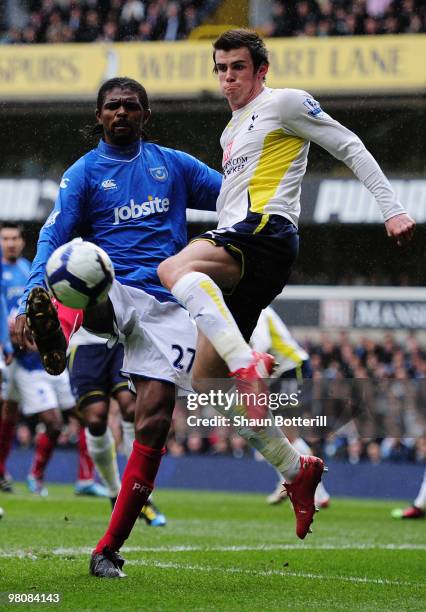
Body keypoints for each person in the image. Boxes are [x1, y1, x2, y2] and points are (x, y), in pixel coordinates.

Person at [157, 29, 416, 544]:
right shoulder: (231, 134)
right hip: (243, 238)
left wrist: (392, 208)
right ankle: (296, 471)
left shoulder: (286, 104)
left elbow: (348, 144)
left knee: (171, 270)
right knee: (206, 388)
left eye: (237, 67)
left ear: (260, 71)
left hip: (264, 234)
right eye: (221, 68)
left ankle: (247, 360)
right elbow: (230, 203)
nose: (228, 77)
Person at [15, 76, 222, 577]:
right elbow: (52, 237)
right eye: (113, 107)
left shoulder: (172, 164)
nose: (122, 113)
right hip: (112, 287)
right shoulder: (84, 174)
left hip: (166, 305)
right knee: (84, 267)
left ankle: (107, 549)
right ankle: (63, 325)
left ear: (146, 115)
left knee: (153, 419)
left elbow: (231, 197)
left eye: (131, 106)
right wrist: (27, 297)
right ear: (99, 116)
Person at [0, 223, 105, 497]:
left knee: (79, 416)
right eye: (5, 238)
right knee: (9, 413)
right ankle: (6, 473)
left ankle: (81, 478)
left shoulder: (29, 271)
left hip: (34, 355)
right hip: (10, 355)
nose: (10, 243)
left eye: (14, 238)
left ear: (23, 242)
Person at [67, 322, 166, 525]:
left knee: (131, 407)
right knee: (95, 418)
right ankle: (115, 494)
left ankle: (142, 498)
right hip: (83, 344)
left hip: (121, 339)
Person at [250, 306, 330, 508]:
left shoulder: (257, 309)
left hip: (292, 369)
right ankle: (293, 484)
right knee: (277, 434)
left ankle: (316, 492)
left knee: (286, 435)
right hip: (279, 373)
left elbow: (262, 345)